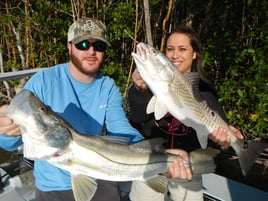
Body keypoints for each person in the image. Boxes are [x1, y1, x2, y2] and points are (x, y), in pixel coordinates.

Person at [0, 18, 195, 201]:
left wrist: (156, 153)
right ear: (69, 47)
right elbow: (10, 143)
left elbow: (121, 130)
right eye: (82, 44)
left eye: (98, 45)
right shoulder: (42, 82)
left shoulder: (107, 86)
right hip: (53, 186)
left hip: (101, 174)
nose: (91, 51)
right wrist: (6, 131)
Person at [128, 25, 244, 201]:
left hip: (187, 168)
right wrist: (139, 89)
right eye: (170, 49)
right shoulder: (151, 84)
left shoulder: (205, 93)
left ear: (194, 53)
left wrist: (223, 139)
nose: (175, 55)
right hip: (151, 165)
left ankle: (246, 153)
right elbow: (138, 118)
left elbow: (213, 143)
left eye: (182, 49)